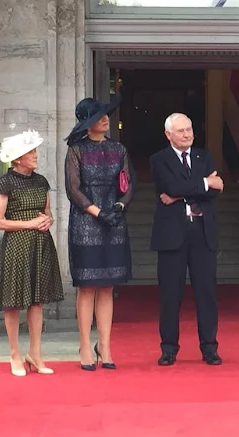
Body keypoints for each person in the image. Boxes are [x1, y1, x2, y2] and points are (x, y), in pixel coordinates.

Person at [64, 97, 135, 371]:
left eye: (106, 115)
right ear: (87, 124)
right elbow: (73, 189)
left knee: (107, 286)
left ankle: (104, 345)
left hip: (114, 221)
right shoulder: (76, 150)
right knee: (87, 287)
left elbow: (128, 183)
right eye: (99, 117)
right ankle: (84, 344)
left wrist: (119, 206)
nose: (105, 119)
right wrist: (96, 211)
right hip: (86, 222)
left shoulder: (119, 149)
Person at [149, 113, 224, 366]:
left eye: (190, 129)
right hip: (172, 234)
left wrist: (180, 193)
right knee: (171, 294)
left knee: (207, 293)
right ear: (168, 134)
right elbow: (170, 186)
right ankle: (169, 348)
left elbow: (214, 192)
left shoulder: (205, 156)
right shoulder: (159, 159)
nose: (187, 134)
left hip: (203, 231)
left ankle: (209, 347)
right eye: (181, 131)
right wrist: (203, 183)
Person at [0, 130, 64, 376]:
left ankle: (35, 353)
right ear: (18, 158)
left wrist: (47, 221)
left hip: (41, 244)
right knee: (12, 302)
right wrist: (29, 224)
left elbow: (47, 212)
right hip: (16, 246)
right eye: (30, 152)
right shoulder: (5, 182)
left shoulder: (41, 180)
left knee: (37, 300)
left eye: (34, 151)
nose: (35, 155)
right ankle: (14, 354)